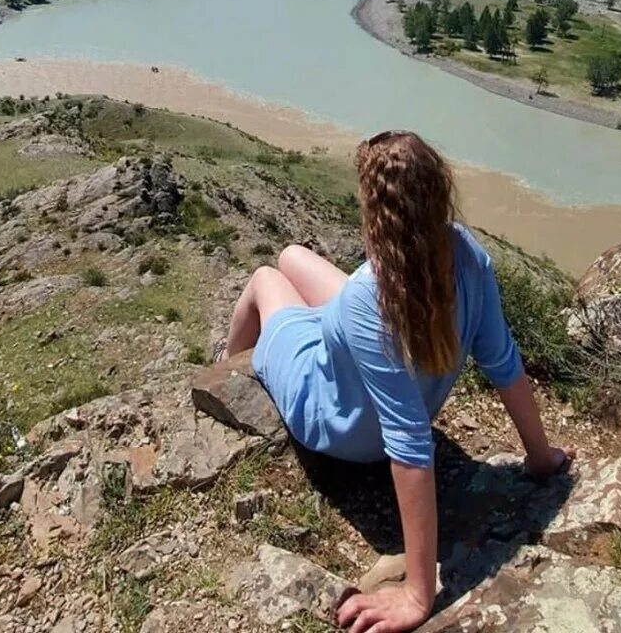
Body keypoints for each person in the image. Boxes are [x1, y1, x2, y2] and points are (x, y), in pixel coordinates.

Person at [220, 130, 573, 633]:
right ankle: (271, 345)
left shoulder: (369, 299)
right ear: (440, 192)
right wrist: (540, 457)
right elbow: (505, 366)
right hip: (369, 342)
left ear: (375, 211)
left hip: (332, 416)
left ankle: (228, 368)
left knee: (264, 277)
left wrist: (418, 594)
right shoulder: (469, 257)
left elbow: (408, 443)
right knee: (293, 255)